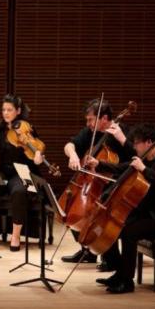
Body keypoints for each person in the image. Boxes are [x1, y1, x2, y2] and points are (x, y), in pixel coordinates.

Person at [88, 123, 155, 293]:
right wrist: (98, 163)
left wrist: (144, 170)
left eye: (137, 143)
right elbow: (120, 168)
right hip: (146, 214)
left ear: (149, 142)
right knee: (114, 226)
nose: (134, 146)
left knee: (129, 231)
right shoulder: (142, 159)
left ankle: (127, 281)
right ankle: (120, 273)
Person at [62, 98, 135, 268]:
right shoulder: (90, 131)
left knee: (98, 211)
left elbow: (134, 159)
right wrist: (72, 155)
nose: (88, 123)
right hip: (96, 182)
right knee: (72, 208)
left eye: (90, 119)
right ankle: (87, 250)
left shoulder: (121, 131)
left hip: (118, 183)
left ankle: (110, 256)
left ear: (104, 118)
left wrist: (122, 140)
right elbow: (70, 144)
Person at [0, 94, 44, 251]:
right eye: (3, 110)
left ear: (18, 111)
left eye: (10, 110)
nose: (6, 113)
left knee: (19, 191)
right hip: (1, 170)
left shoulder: (27, 128)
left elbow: (37, 149)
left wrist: (37, 157)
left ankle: (15, 236)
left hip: (20, 172)